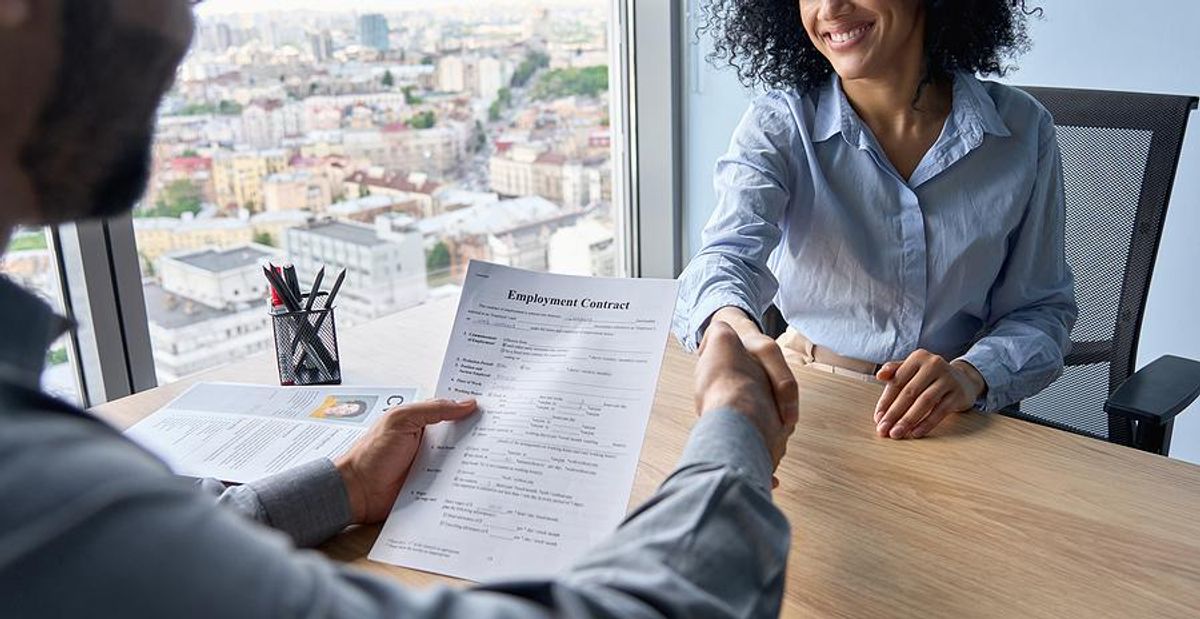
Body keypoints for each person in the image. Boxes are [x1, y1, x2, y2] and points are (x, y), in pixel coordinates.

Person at [0, 1, 796, 617]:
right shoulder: (41, 492)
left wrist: (342, 486)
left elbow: (153, 567)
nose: (186, 23)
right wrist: (734, 426)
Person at [674, 0, 1077, 440]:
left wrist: (972, 373)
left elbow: (1040, 309)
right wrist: (729, 334)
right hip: (808, 399)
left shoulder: (1022, 129)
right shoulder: (780, 122)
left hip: (955, 419)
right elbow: (726, 257)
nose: (829, 8)